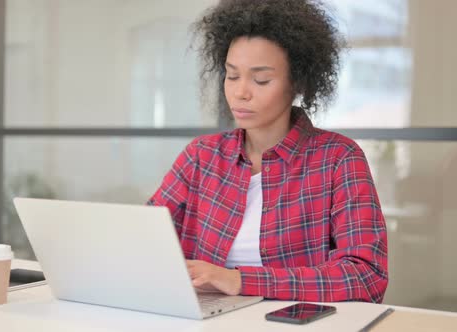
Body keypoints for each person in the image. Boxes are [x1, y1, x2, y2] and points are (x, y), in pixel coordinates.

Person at [147, 0, 388, 303]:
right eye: (232, 75)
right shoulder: (201, 157)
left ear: (297, 82)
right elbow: (145, 240)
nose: (240, 91)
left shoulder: (339, 159)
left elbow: (366, 276)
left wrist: (238, 279)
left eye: (261, 79)